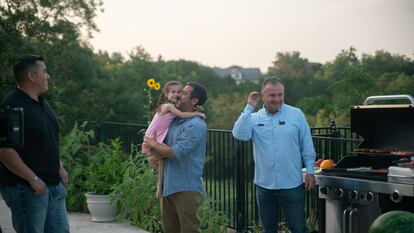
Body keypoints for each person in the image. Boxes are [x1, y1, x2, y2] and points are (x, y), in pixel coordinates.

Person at [232, 76, 316, 233]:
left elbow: (307, 145)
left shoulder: (296, 114)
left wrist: (310, 171)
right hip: (265, 186)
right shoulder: (254, 118)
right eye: (272, 95)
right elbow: (238, 134)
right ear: (263, 96)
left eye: (280, 94)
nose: (277, 99)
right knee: (268, 230)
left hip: (292, 184)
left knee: (299, 229)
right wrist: (249, 106)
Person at [0, 55, 70, 233]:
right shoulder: (13, 106)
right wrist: (33, 179)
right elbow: (5, 150)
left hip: (53, 188)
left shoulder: (41, 102)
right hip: (28, 191)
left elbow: (48, 140)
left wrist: (59, 167)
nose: (48, 76)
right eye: (44, 71)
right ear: (31, 76)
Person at [143, 81, 208, 233]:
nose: (178, 94)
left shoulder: (196, 125)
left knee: (189, 230)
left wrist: (153, 143)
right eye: (177, 92)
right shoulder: (174, 120)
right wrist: (155, 149)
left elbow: (175, 153)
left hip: (185, 188)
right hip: (168, 186)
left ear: (194, 101)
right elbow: (160, 149)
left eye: (184, 93)